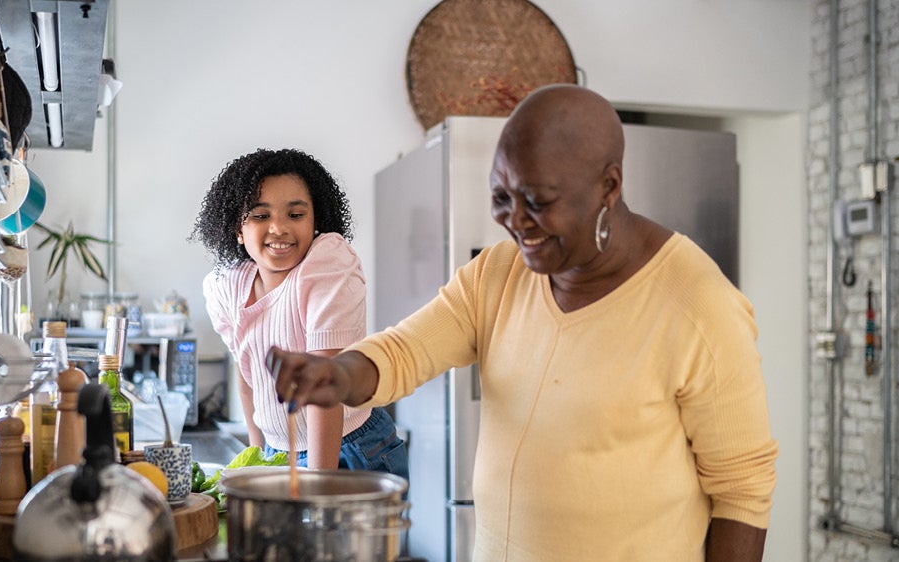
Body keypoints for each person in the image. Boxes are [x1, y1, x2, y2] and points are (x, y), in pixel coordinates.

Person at [266, 85, 778, 561]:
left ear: (609, 186)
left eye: (538, 202)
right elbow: (405, 350)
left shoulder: (695, 302)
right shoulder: (499, 273)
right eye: (501, 197)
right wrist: (337, 375)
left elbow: (743, 491)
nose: (515, 221)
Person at [191, 148, 408, 479]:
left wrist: (318, 487)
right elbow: (247, 375)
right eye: (260, 216)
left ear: (316, 221)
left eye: (295, 215)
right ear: (238, 228)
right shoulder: (227, 286)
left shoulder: (327, 266)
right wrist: (256, 457)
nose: (278, 228)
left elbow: (326, 387)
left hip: (351, 450)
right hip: (279, 454)